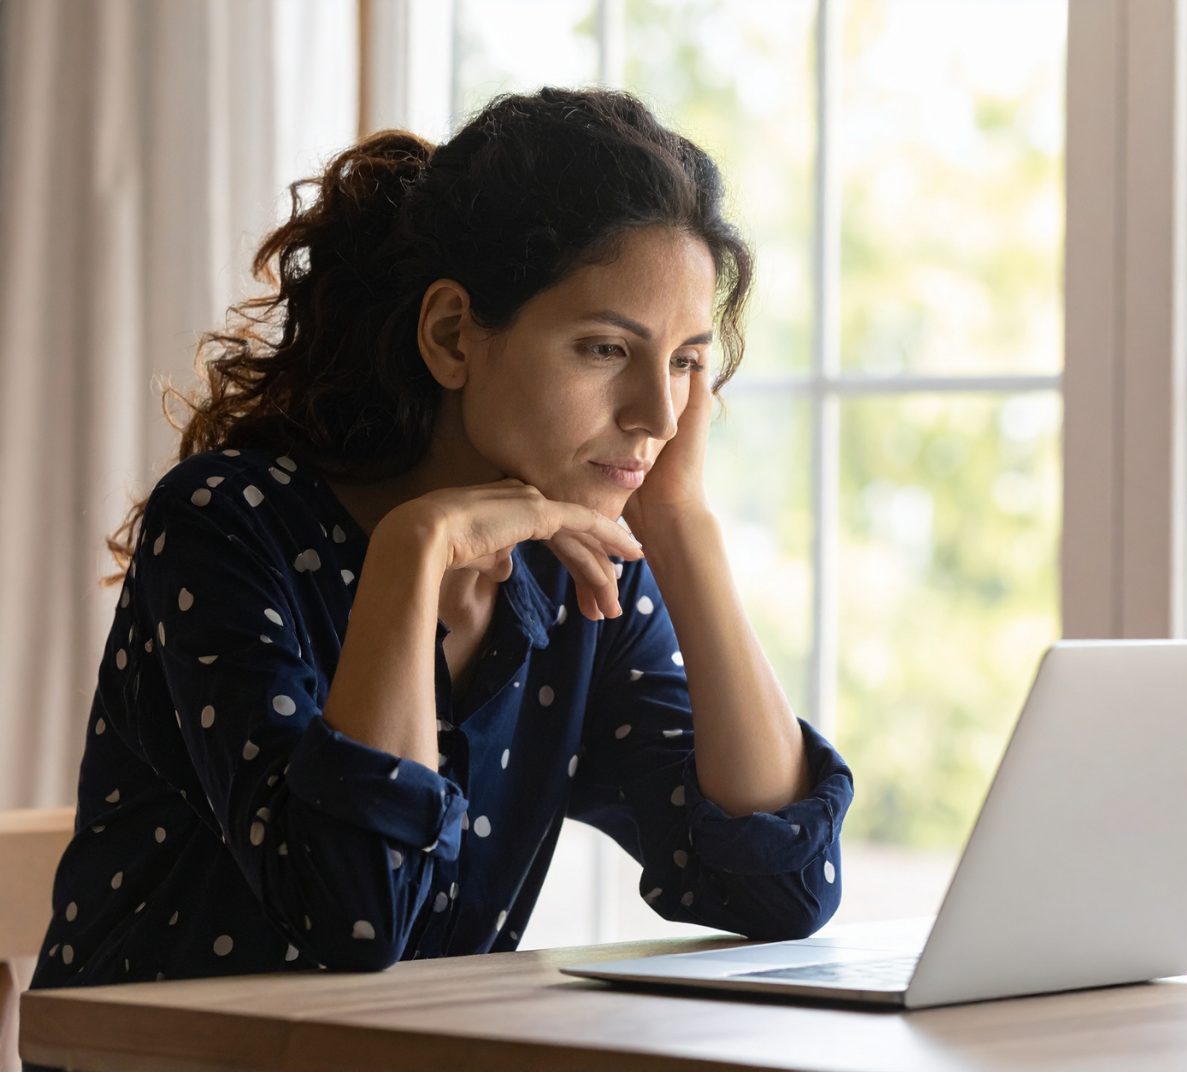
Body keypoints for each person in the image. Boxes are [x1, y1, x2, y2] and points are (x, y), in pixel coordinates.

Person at [32, 88, 853, 987]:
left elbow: (782, 892)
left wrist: (683, 527)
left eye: (688, 361)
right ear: (454, 335)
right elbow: (358, 913)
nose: (659, 414)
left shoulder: (580, 573)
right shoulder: (228, 525)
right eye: (606, 350)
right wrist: (414, 551)